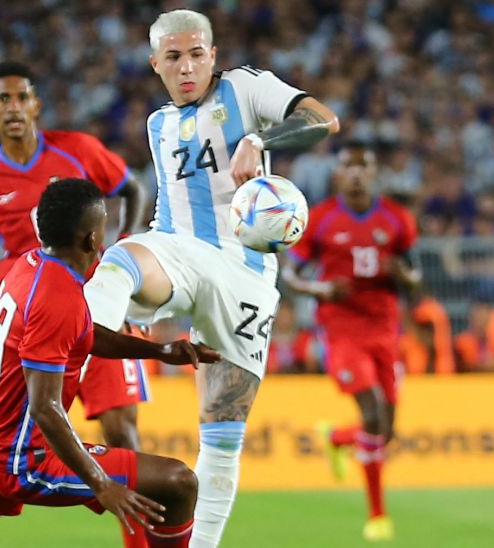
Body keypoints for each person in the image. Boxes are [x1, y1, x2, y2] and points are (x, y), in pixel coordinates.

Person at [83, 10, 340, 547]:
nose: (187, 67)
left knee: (222, 434)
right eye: (173, 57)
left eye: (197, 54)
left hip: (245, 271)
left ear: (213, 55)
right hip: (181, 251)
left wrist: (263, 141)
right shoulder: (158, 125)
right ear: (155, 63)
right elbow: (171, 206)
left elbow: (323, 120)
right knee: (121, 259)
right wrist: (148, 267)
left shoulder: (247, 89)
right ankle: (59, 380)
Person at [0, 179, 220, 548]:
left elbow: (84, 335)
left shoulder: (29, 265)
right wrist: (100, 483)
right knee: (178, 482)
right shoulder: (57, 296)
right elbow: (45, 407)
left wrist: (158, 351)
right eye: (103, 225)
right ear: (92, 240)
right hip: (20, 458)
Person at [0, 61, 153, 542]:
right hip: (32, 320)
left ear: (36, 104)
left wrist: (123, 250)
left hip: (96, 308)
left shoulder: (79, 151)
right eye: (3, 99)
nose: (14, 107)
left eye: (22, 97)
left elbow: (131, 188)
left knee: (124, 433)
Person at [283, 141, 420, 541]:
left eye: (365, 167)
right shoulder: (323, 219)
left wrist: (403, 276)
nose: (357, 174)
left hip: (385, 328)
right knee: (373, 411)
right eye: (349, 167)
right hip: (342, 329)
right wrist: (320, 290)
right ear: (338, 174)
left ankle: (338, 437)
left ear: (375, 173)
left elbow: (415, 279)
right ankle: (378, 516)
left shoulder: (397, 219)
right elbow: (291, 275)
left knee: (386, 431)